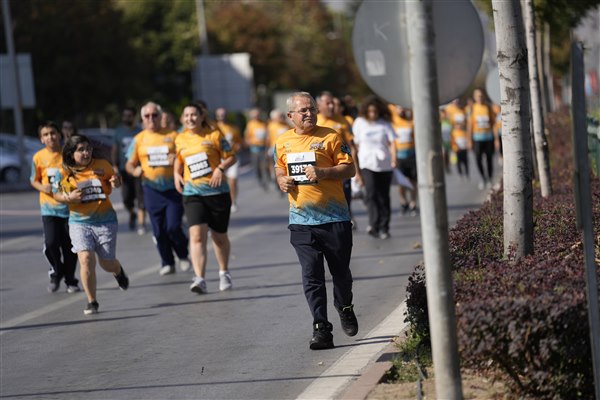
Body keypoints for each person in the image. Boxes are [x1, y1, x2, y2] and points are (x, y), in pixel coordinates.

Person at [274, 92, 358, 350]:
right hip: (301, 219)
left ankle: (344, 306)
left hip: (334, 218)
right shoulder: (282, 141)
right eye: (303, 110)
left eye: (312, 109)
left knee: (340, 273)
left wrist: (323, 172)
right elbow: (279, 167)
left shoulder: (331, 136)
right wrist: (281, 180)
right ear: (290, 116)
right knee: (311, 273)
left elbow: (350, 168)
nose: (309, 113)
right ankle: (321, 327)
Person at [52, 134, 129, 315]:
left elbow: (115, 181)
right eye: (81, 150)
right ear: (71, 153)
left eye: (88, 149)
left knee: (106, 263)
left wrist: (116, 181)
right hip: (79, 222)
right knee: (85, 259)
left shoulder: (102, 165)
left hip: (105, 221)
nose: (86, 153)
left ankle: (118, 272)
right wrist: (68, 197)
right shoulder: (63, 172)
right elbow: (56, 194)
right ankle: (91, 301)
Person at [174, 104, 237, 293]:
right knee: (196, 235)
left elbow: (231, 156)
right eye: (186, 115)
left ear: (201, 117)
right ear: (183, 118)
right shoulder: (180, 138)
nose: (190, 118)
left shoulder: (214, 135)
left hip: (217, 193)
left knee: (219, 237)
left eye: (193, 115)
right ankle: (199, 278)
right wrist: (176, 174)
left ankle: (224, 272)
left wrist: (220, 168)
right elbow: (179, 158)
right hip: (193, 194)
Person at [125, 102, 191, 276]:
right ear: (142, 119)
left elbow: (187, 156)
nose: (151, 118)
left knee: (173, 226)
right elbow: (129, 164)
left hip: (173, 188)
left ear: (160, 117)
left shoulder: (173, 136)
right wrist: (135, 170)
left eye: (154, 115)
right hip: (151, 189)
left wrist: (176, 159)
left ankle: (183, 255)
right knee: (159, 230)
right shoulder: (138, 139)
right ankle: (167, 262)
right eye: (147, 116)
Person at [30, 121, 80, 293]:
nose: (50, 137)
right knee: (51, 243)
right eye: (45, 134)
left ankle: (71, 280)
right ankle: (56, 272)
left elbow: (77, 175)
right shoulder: (38, 157)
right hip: (49, 209)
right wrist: (42, 187)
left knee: (70, 246)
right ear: (41, 139)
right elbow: (33, 180)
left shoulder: (68, 154)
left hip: (69, 209)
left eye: (52, 133)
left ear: (59, 134)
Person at [352, 96, 396, 239]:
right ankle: (373, 224)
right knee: (371, 194)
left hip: (384, 164)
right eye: (370, 112)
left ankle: (384, 227)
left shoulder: (385, 124)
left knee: (383, 196)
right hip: (366, 163)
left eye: (375, 112)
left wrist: (394, 159)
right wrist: (356, 169)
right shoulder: (360, 122)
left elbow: (392, 143)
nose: (373, 114)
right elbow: (355, 145)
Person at [316, 91, 358, 227]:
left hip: (341, 169)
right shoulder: (314, 121)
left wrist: (355, 168)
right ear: (319, 105)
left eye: (332, 103)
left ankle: (344, 223)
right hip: (320, 170)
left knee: (344, 199)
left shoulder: (342, 120)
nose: (331, 106)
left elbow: (351, 146)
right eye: (327, 103)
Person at [112, 106, 146, 235]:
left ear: (134, 116)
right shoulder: (119, 131)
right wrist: (114, 165)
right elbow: (115, 149)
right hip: (123, 170)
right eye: (124, 115)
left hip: (138, 169)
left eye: (129, 115)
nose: (126, 118)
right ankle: (132, 213)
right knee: (127, 198)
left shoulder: (139, 131)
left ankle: (141, 224)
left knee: (141, 197)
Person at [467, 89, 498, 189]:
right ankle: (483, 178)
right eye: (477, 96)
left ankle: (490, 178)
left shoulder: (488, 107)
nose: (479, 97)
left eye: (481, 95)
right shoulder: (472, 108)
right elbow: (469, 126)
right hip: (477, 139)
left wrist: (496, 139)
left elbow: (493, 124)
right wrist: (469, 140)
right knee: (478, 159)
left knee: (489, 159)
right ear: (474, 97)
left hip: (488, 138)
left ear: (483, 96)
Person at [390, 106, 418, 216]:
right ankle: (403, 201)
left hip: (411, 155)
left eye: (402, 108)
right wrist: (393, 157)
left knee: (413, 181)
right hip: (399, 157)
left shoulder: (411, 121)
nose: (401, 110)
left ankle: (413, 203)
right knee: (401, 182)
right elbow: (392, 141)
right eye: (399, 108)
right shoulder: (393, 122)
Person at [215, 107, 243, 212]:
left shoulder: (233, 128)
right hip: (219, 158)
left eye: (223, 114)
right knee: (220, 181)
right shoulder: (214, 128)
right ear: (216, 116)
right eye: (219, 115)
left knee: (233, 180)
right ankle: (222, 201)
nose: (221, 117)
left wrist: (238, 146)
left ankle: (233, 201)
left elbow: (239, 142)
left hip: (232, 158)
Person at [244, 108, 269, 190]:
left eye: (257, 115)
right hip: (254, 149)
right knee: (257, 166)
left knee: (264, 165)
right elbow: (247, 137)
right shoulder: (250, 124)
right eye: (254, 115)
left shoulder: (263, 124)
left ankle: (266, 180)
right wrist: (250, 142)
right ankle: (260, 179)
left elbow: (267, 135)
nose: (256, 117)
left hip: (263, 148)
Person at [445, 98, 469, 179]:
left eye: (457, 102)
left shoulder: (463, 110)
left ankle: (467, 173)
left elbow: (466, 122)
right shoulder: (449, 109)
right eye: (454, 102)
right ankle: (459, 173)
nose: (456, 103)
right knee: (458, 158)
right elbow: (449, 123)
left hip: (463, 135)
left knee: (465, 157)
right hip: (455, 136)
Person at [266, 109, 290, 189]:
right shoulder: (271, 126)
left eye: (282, 116)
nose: (281, 118)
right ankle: (275, 179)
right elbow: (268, 138)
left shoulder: (286, 124)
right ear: (274, 118)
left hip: (287, 149)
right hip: (275, 149)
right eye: (279, 116)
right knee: (277, 167)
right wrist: (268, 148)